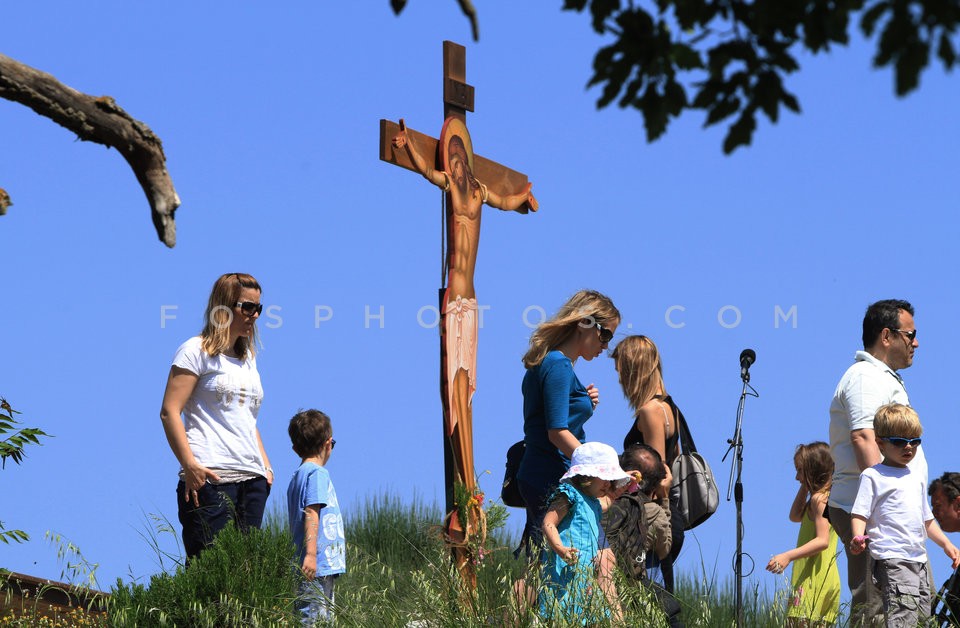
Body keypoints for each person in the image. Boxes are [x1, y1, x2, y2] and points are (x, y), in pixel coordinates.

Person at [392, 118, 537, 505]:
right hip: (454, 296)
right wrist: (407, 146)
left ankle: (470, 486)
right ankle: (465, 483)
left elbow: (505, 203)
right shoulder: (450, 184)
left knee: (468, 384)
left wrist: (522, 197)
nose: (456, 158)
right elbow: (426, 171)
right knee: (453, 387)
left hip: (470, 300)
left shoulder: (478, 188)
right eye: (452, 152)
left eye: (460, 153)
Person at [159, 272, 272, 560]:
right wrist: (190, 466)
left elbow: (247, 418)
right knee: (210, 571)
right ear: (223, 306)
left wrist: (266, 468)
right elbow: (169, 411)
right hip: (210, 478)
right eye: (247, 307)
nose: (255, 315)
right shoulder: (194, 351)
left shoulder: (249, 359)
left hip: (252, 480)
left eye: (259, 308)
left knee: (246, 576)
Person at [827, 299, 925, 625]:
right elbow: (864, 437)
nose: (916, 342)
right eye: (910, 335)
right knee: (876, 610)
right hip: (875, 519)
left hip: (889, 519)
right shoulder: (865, 377)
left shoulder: (882, 377)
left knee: (902, 608)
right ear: (887, 336)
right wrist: (884, 510)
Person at [516, 289, 620, 556]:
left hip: (542, 471)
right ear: (584, 323)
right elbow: (556, 432)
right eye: (605, 334)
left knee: (555, 561)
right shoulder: (559, 366)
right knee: (572, 562)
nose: (606, 345)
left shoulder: (554, 364)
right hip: (551, 472)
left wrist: (583, 402)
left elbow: (551, 420)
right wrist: (597, 470)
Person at [849, 403, 960, 627]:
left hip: (917, 558)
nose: (908, 447)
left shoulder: (916, 477)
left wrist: (946, 545)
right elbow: (860, 513)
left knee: (921, 613)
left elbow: (926, 520)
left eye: (915, 441)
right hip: (893, 557)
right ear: (880, 443)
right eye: (899, 442)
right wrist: (857, 537)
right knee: (903, 614)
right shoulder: (874, 476)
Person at [610, 334, 685, 593]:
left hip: (650, 519)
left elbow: (657, 471)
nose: (620, 380)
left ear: (634, 370)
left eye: (622, 371)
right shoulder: (669, 407)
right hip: (667, 517)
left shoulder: (650, 411)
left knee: (638, 597)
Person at [540, 442, 634, 624]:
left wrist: (622, 487)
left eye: (611, 479)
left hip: (583, 571)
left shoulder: (593, 503)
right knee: (561, 612)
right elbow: (548, 523)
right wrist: (561, 549)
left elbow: (607, 502)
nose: (608, 483)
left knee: (589, 615)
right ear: (587, 475)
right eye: (604, 477)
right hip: (565, 566)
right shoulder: (569, 494)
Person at [603, 443, 683, 627]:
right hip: (628, 584)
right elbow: (665, 548)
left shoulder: (601, 498)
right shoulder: (652, 510)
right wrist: (663, 498)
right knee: (654, 557)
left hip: (600, 574)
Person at [766, 442, 840, 627]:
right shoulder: (824, 497)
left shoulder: (819, 500)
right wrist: (806, 486)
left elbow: (822, 541)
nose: (797, 477)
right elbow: (795, 516)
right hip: (826, 580)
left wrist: (787, 556)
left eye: (800, 471)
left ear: (813, 471)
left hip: (812, 579)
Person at [287, 409, 346, 624]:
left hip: (310, 563)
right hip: (317, 564)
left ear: (295, 449)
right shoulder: (317, 474)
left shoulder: (297, 477)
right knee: (315, 619)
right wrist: (311, 555)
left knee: (316, 616)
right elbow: (312, 511)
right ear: (328, 443)